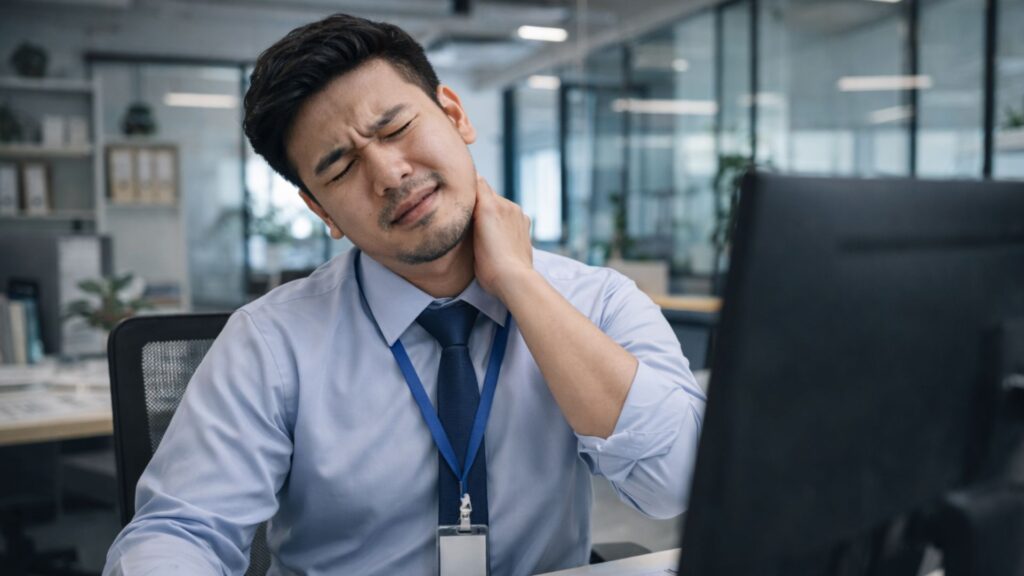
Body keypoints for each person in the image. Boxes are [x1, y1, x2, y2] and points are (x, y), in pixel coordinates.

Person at [103, 12, 705, 576]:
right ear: (321, 210)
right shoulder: (271, 341)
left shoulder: (596, 299)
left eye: (395, 128)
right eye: (340, 169)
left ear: (454, 114)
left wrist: (520, 285)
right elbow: (180, 532)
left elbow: (675, 484)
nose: (389, 174)